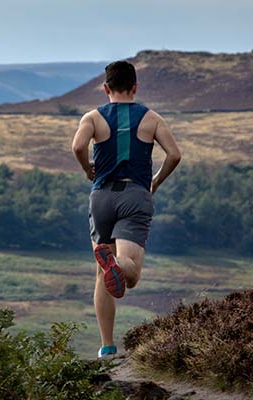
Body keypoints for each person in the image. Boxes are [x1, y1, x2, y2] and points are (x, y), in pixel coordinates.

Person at [70, 60, 182, 358]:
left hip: (101, 196)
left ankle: (106, 346)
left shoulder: (92, 118)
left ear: (106, 88)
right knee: (130, 274)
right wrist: (155, 181)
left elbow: (78, 147)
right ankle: (117, 264)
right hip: (134, 195)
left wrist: (86, 169)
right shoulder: (151, 118)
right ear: (135, 87)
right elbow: (174, 154)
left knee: (101, 276)